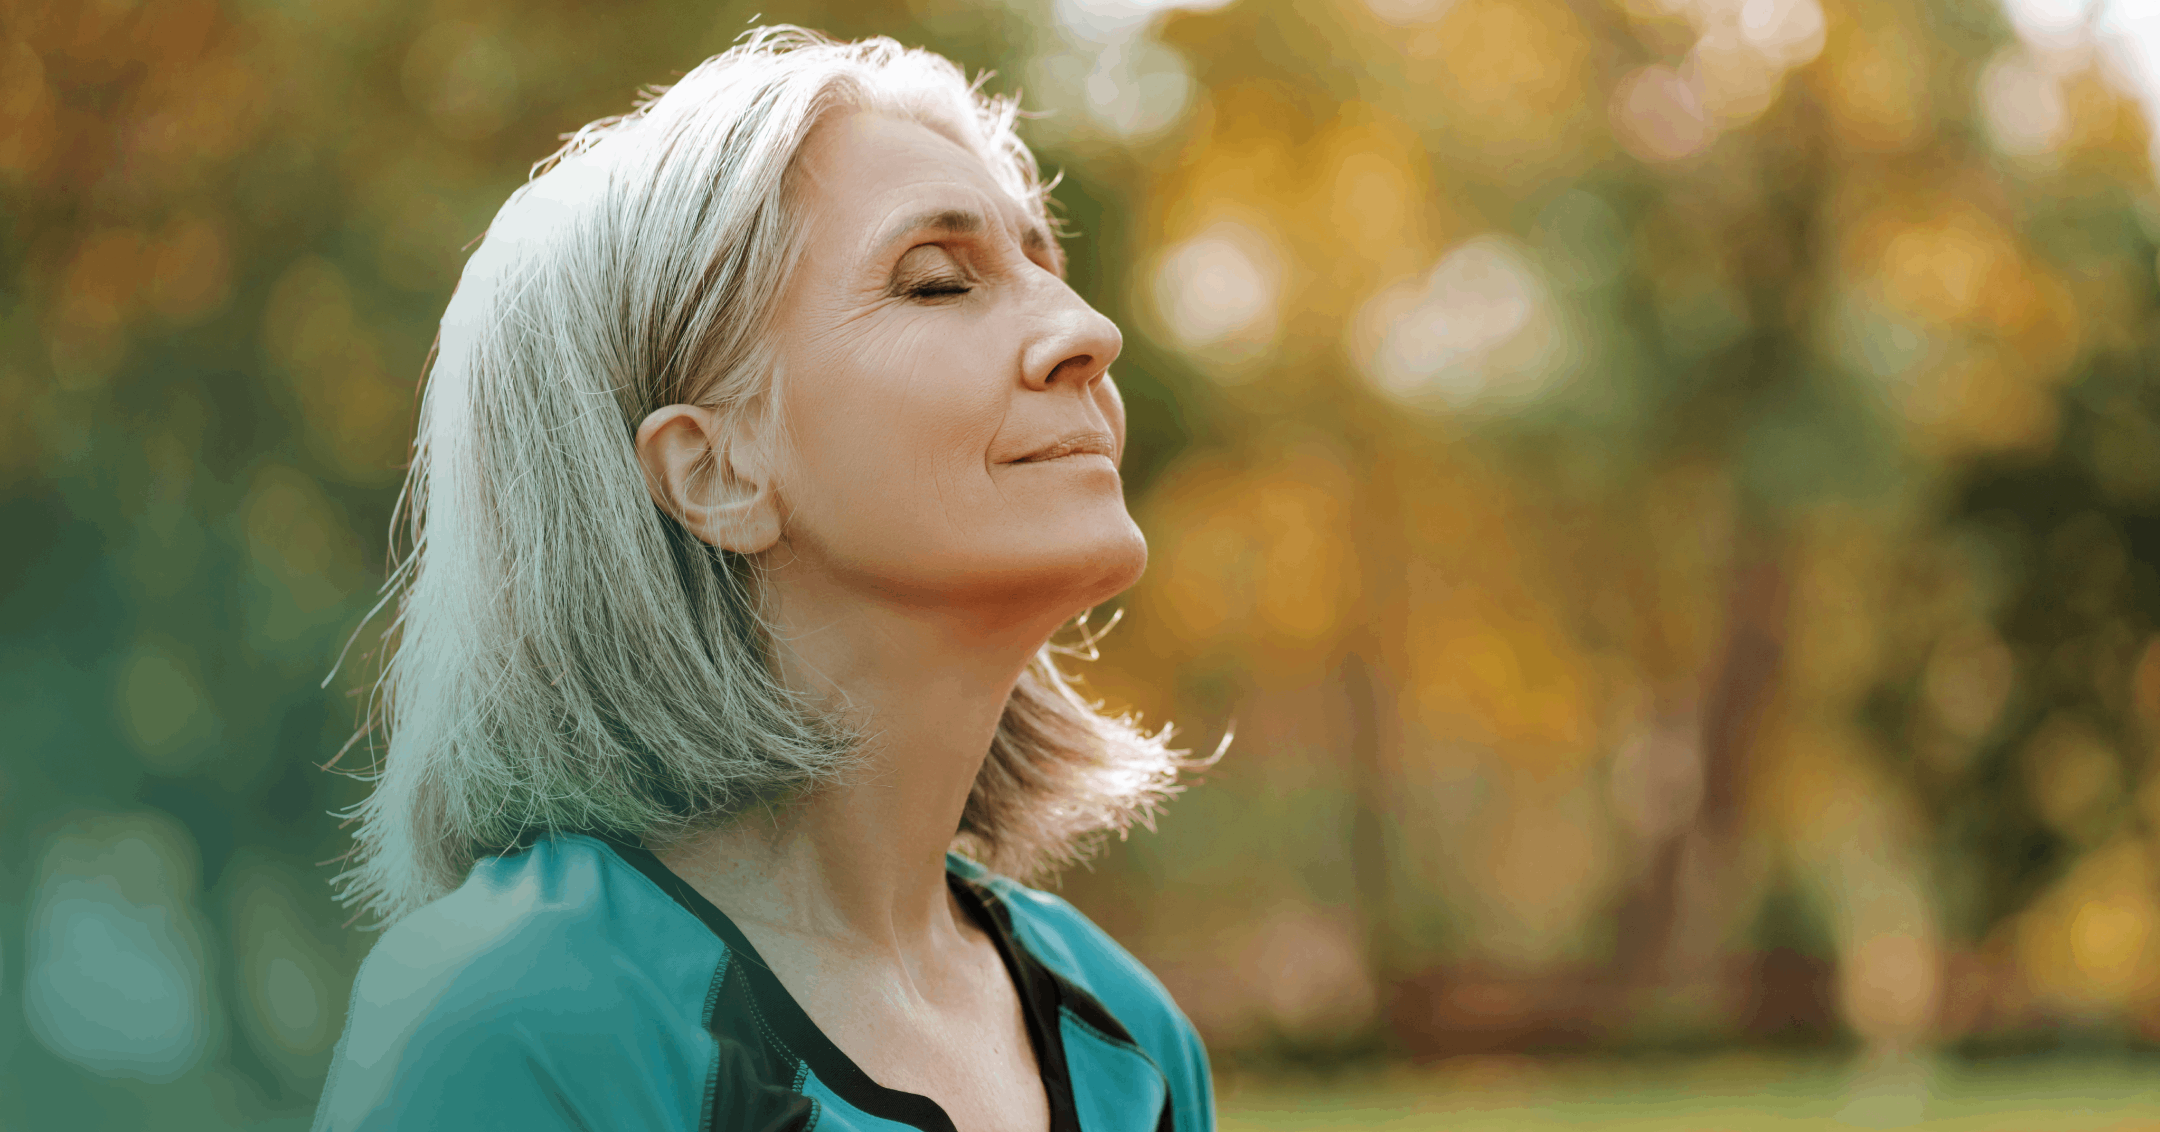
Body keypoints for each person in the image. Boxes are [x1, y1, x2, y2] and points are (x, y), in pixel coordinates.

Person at [310, 26, 1214, 1132]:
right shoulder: (514, 1021)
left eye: (1045, 268)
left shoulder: (1134, 1036)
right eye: (937, 282)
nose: (1088, 332)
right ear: (716, 471)